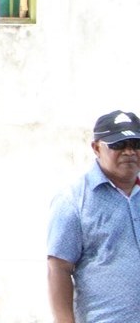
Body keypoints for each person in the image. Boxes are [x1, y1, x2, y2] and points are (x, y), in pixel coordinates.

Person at [47, 109, 140, 322]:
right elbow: (58, 268)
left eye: (136, 144)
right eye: (118, 144)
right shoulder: (73, 201)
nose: (129, 152)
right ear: (96, 148)